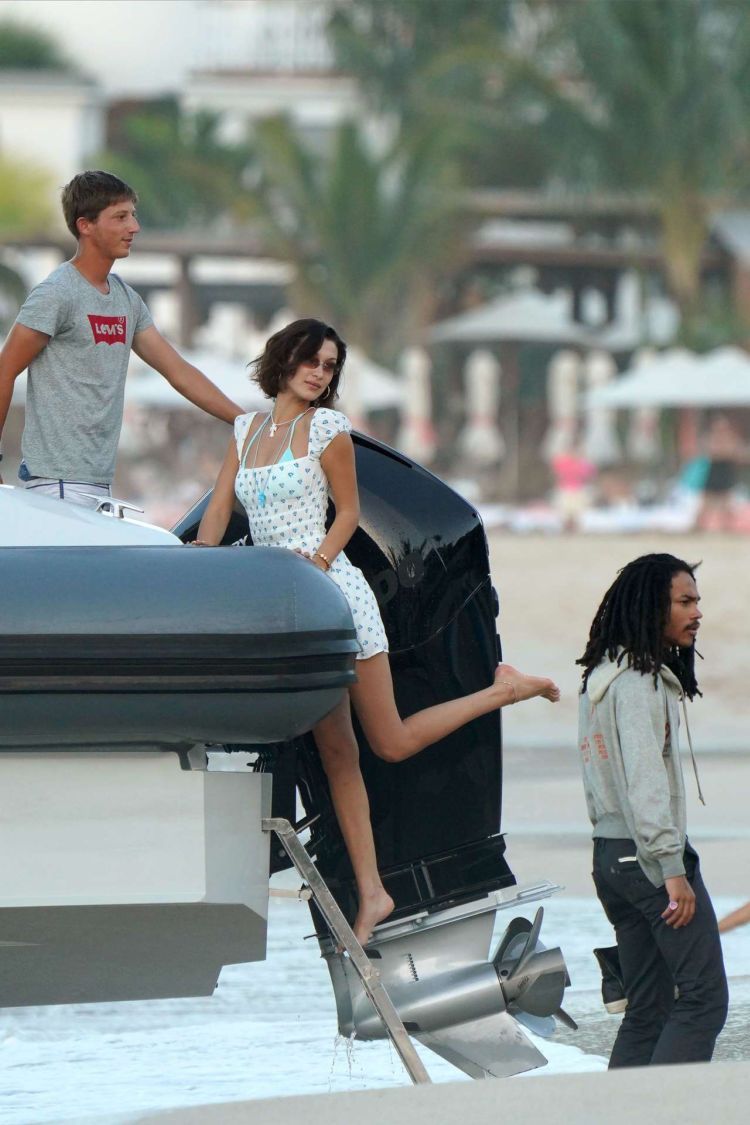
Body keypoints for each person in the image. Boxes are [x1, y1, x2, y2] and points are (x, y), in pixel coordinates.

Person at [194, 317, 560, 946]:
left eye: (330, 366)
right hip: (282, 608)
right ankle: (373, 893)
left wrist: (316, 563)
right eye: (311, 360)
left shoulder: (329, 430)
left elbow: (351, 513)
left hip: (333, 597)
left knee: (385, 742)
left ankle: (504, 690)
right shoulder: (245, 430)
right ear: (284, 360)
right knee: (338, 754)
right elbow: (222, 509)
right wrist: (199, 570)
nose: (319, 373)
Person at [0, 170, 242, 505]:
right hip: (55, 484)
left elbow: (178, 371)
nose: (134, 227)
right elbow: (4, 371)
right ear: (86, 225)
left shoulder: (127, 299)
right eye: (121, 217)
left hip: (99, 483)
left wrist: (244, 421)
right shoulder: (56, 294)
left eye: (133, 216)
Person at [577, 553, 728, 1067]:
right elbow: (645, 785)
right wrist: (671, 869)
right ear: (650, 607)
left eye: (697, 601)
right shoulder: (639, 684)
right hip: (647, 863)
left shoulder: (603, 674)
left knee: (649, 1008)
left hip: (610, 858)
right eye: (684, 601)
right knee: (705, 1001)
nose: (697, 613)